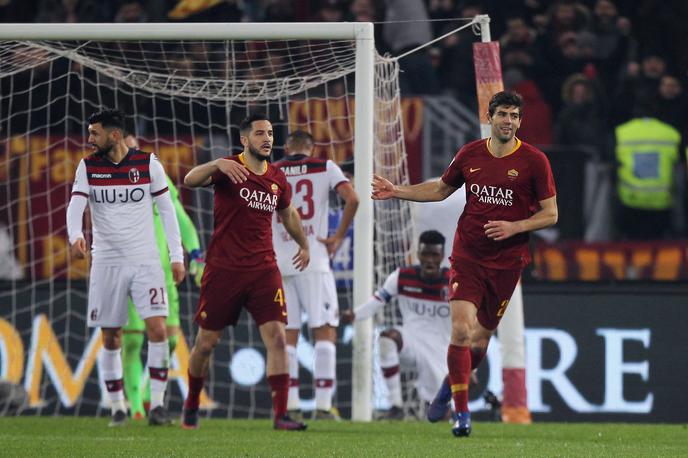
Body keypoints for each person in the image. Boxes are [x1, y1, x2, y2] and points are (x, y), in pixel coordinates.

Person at [372, 91, 558, 437]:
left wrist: (515, 226)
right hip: (468, 256)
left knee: (480, 340)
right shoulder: (470, 154)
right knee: (460, 330)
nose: (509, 121)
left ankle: (448, 388)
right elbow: (441, 190)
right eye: (503, 114)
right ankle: (461, 413)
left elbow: (551, 214)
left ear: (520, 121)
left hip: (507, 263)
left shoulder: (535, 161)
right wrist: (395, 190)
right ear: (490, 117)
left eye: (515, 116)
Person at [181, 114, 310, 431]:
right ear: (244, 140)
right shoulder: (228, 167)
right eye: (260, 134)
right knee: (206, 343)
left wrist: (304, 245)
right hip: (224, 270)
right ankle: (192, 402)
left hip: (264, 269)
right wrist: (216, 165)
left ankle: (280, 415)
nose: (267, 138)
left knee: (278, 338)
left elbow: (288, 213)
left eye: (270, 133)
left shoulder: (277, 177)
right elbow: (189, 180)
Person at [66, 108, 185, 427]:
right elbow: (75, 204)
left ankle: (158, 405)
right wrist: (75, 235)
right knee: (111, 336)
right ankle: (118, 405)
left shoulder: (148, 164)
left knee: (158, 331)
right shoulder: (88, 166)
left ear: (114, 135)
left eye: (95, 133)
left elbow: (169, 212)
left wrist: (177, 256)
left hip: (146, 261)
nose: (90, 139)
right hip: (106, 261)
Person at [271, 131, 359, 420]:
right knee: (324, 331)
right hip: (314, 260)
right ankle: (322, 406)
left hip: (280, 262)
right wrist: (336, 237)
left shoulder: (272, 171)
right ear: (311, 148)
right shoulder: (325, 166)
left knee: (289, 335)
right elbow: (353, 199)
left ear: (286, 147)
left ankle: (292, 405)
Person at [121, 134, 205, 420]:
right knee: (132, 341)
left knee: (169, 340)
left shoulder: (156, 176)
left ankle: (148, 397)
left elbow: (181, 219)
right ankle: (134, 408)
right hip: (128, 270)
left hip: (163, 272)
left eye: (135, 149)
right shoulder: (109, 182)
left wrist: (195, 254)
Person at [341, 230, 450, 420]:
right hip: (411, 339)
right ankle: (396, 406)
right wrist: (354, 315)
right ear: (418, 254)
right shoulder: (402, 276)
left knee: (438, 414)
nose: (430, 260)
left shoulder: (453, 282)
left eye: (434, 255)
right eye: (425, 254)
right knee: (387, 339)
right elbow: (378, 300)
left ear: (442, 256)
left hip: (441, 347)